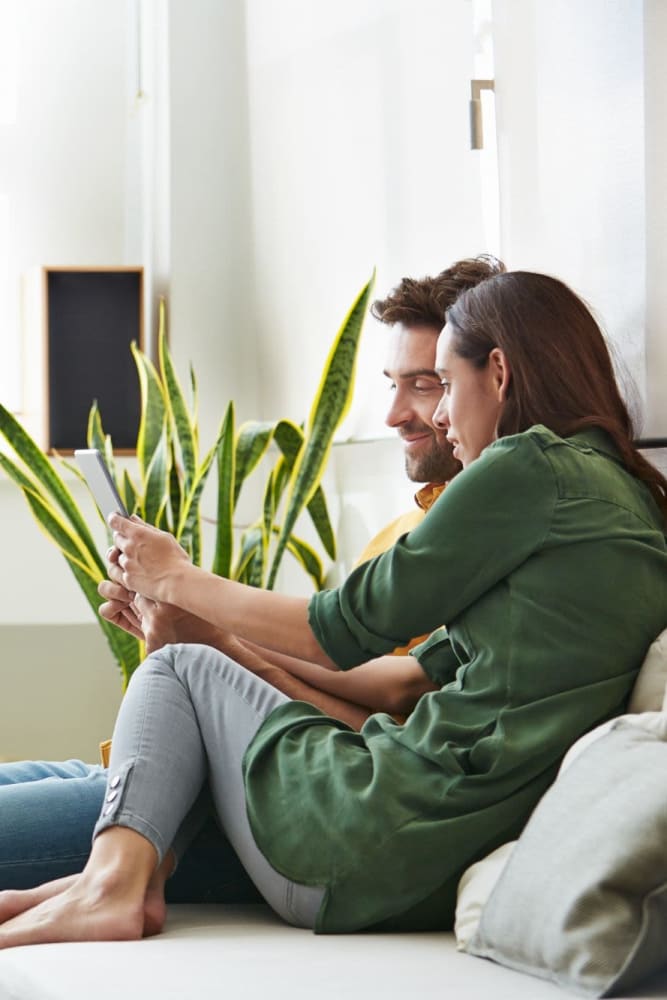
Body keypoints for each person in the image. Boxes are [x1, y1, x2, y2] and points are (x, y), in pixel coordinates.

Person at [1, 269, 665, 948]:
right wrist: (210, 630)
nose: (431, 416)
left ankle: (110, 887)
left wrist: (176, 578)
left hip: (381, 833)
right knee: (149, 688)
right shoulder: (620, 501)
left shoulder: (530, 468)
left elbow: (340, 632)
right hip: (422, 855)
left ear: (497, 372)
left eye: (439, 384)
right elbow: (396, 679)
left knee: (176, 670)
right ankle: (116, 881)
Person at [0, 256, 502, 903]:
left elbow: (378, 741)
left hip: (265, 796)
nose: (397, 414)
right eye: (391, 383)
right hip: (205, 767)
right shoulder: (402, 533)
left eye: (427, 383)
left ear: (491, 380)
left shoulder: (478, 554)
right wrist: (194, 635)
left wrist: (214, 644)